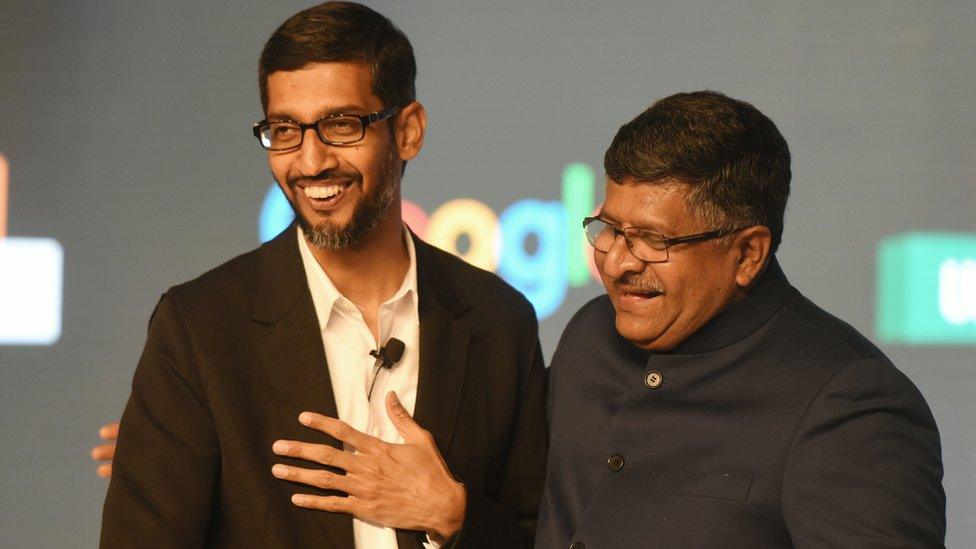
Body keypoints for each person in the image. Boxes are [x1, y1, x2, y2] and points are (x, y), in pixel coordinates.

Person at [98, 3, 547, 548]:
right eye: (285, 130)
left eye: (340, 125)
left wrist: (453, 516)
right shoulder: (199, 326)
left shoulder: (501, 322)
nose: (310, 163)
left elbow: (540, 534)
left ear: (408, 131)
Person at [535, 91, 946, 548]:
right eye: (609, 230)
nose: (614, 264)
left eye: (652, 240)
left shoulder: (849, 405)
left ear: (748, 253)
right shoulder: (590, 336)